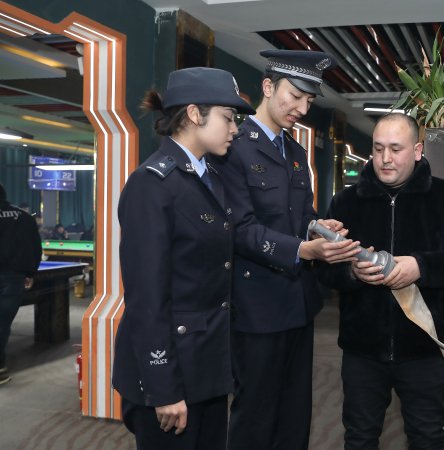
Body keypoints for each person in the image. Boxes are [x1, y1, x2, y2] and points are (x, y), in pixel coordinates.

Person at [212, 49, 361, 450]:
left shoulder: (295, 152)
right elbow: (240, 229)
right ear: (268, 86)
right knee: (256, 415)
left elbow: (300, 214)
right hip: (256, 306)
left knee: (295, 413)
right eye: (295, 96)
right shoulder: (234, 147)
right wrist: (306, 250)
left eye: (309, 100)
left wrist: (318, 226)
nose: (302, 108)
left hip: (299, 302)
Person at [315, 113, 444, 450]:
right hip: (362, 351)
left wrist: (421, 266)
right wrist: (352, 273)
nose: (385, 158)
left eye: (396, 149)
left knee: (426, 439)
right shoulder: (346, 203)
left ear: (417, 151)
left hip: (424, 349)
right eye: (378, 149)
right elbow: (323, 269)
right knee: (359, 439)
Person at [111, 67, 255, 450]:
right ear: (194, 114)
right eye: (228, 117)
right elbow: (146, 298)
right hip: (171, 374)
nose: (235, 128)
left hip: (207, 367)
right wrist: (164, 388)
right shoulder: (151, 185)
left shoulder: (210, 177)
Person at [0, 182, 41, 385]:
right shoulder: (24, 217)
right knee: (2, 324)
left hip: (12, 277)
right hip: (14, 277)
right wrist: (30, 273)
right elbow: (35, 247)